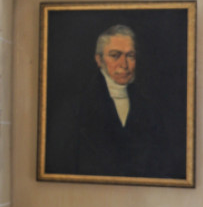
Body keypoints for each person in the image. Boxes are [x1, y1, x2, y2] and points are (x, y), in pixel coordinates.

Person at [44, 23, 185, 181]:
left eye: (130, 56)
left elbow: (165, 167)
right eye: (115, 55)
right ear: (99, 60)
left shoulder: (150, 109)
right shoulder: (75, 107)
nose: (124, 65)